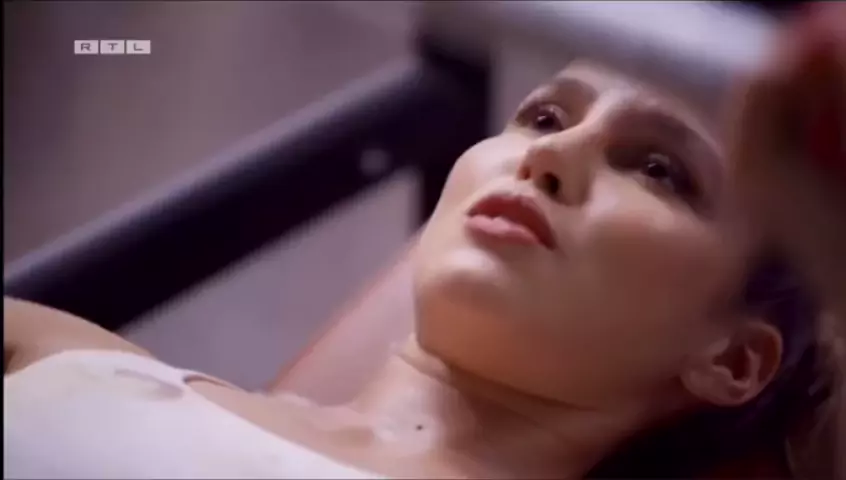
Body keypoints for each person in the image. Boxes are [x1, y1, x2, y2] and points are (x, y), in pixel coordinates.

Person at [4, 4, 844, 478]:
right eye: (544, 116)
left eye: (660, 170)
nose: (552, 155)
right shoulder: (78, 357)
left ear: (734, 358)